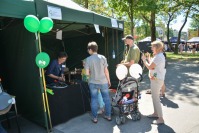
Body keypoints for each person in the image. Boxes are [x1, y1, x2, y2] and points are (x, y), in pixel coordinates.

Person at [85, 41, 111, 123]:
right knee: (106, 99)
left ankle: (95, 118)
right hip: (103, 82)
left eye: (88, 50)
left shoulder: (88, 59)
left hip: (93, 82)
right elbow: (106, 71)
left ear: (90, 50)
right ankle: (108, 116)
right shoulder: (103, 57)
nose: (88, 51)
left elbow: (86, 73)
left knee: (94, 100)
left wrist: (88, 80)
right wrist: (109, 80)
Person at [142, 40, 166, 125]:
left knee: (156, 98)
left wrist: (144, 60)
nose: (151, 48)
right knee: (154, 97)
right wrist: (148, 59)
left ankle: (161, 118)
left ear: (157, 47)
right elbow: (153, 66)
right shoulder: (159, 56)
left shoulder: (158, 56)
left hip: (157, 79)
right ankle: (156, 113)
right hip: (156, 79)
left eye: (153, 47)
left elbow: (150, 67)